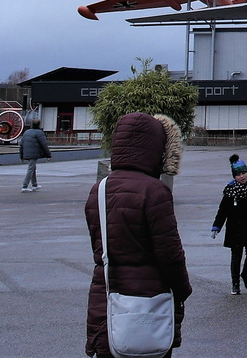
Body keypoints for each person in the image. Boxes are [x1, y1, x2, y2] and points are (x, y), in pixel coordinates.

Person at [85, 112, 192, 357]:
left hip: (107, 293)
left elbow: (99, 245)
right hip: (149, 296)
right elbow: (170, 253)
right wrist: (183, 289)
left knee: (111, 347)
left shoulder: (99, 189)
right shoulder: (155, 190)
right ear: (157, 148)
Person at [212, 154, 247, 294]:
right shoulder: (230, 191)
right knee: (236, 257)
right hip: (234, 228)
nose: (242, 176)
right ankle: (235, 284)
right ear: (234, 176)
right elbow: (223, 210)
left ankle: (245, 274)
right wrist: (216, 227)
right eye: (238, 174)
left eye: (244, 173)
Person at [19, 114, 51, 192]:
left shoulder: (27, 132)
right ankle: (24, 186)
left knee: (33, 168)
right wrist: (48, 155)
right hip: (34, 153)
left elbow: (21, 144)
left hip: (27, 152)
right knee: (31, 168)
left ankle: (34, 184)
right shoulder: (39, 132)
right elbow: (44, 144)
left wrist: (21, 156)